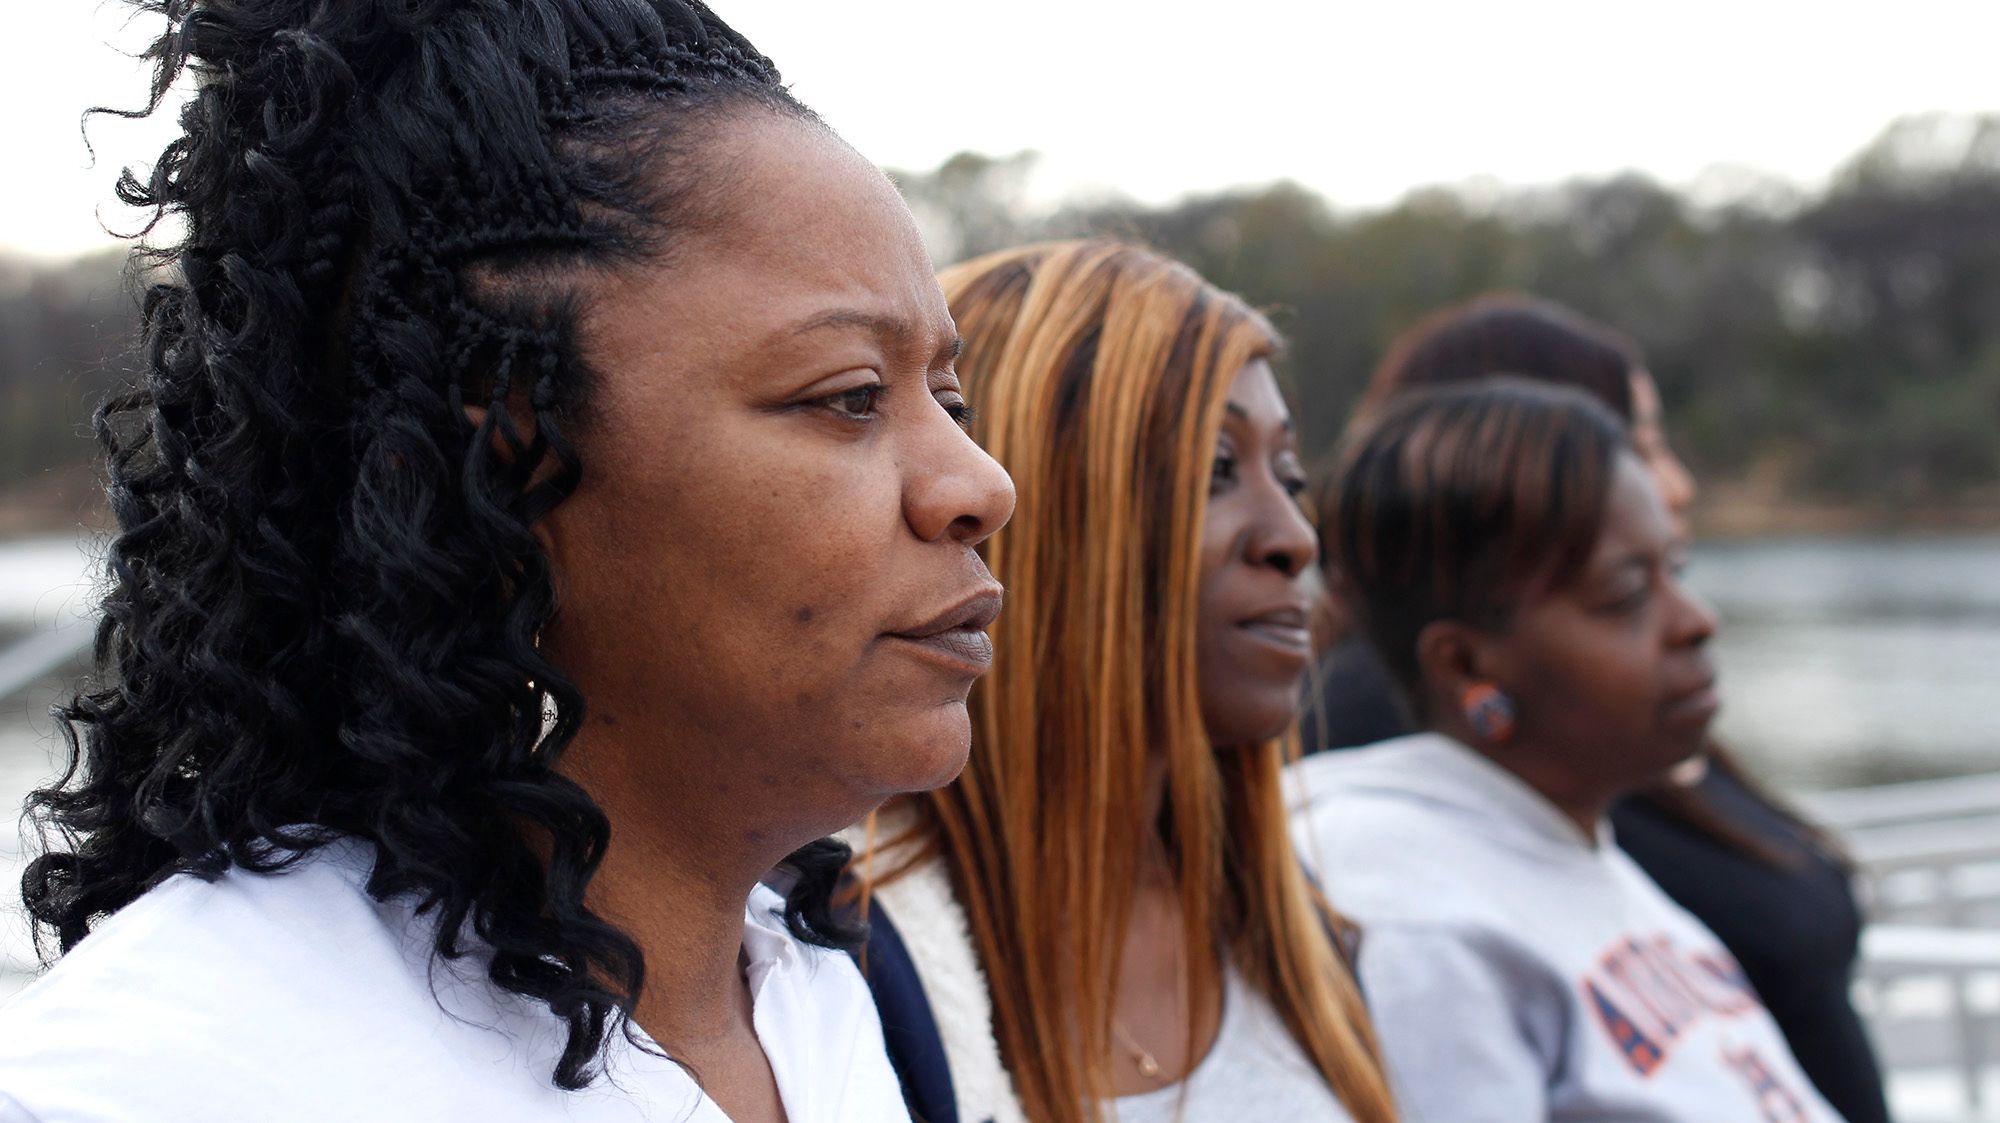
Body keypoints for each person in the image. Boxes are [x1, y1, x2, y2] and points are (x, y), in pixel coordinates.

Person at [0, 3, 1013, 1122]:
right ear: (507, 462)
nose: (979, 484)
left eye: (949, 398)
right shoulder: (171, 1074)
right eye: (848, 397)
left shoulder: (813, 991)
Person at [846, 240, 1396, 1123]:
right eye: (1217, 471)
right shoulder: (838, 964)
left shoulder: (1293, 925)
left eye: (1290, 476)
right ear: (1039, 507)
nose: (1294, 536)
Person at [1303, 293, 1887, 1123]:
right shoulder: (1415, 915)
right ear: (1463, 662)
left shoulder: (1573, 837)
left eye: (1676, 572)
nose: (1696, 621)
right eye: (1625, 594)